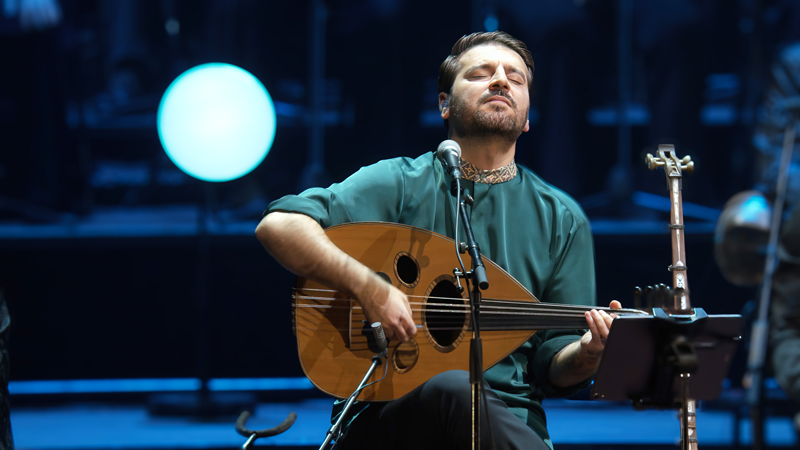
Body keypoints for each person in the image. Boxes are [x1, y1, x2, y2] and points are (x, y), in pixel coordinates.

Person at [256, 31, 619, 450]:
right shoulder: (399, 183)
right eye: (482, 74)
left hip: (507, 419)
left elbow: (552, 367)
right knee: (451, 386)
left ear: (527, 117)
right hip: (385, 411)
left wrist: (589, 353)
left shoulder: (563, 218)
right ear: (445, 104)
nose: (501, 81)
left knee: (464, 394)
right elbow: (279, 225)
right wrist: (368, 286)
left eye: (516, 79)